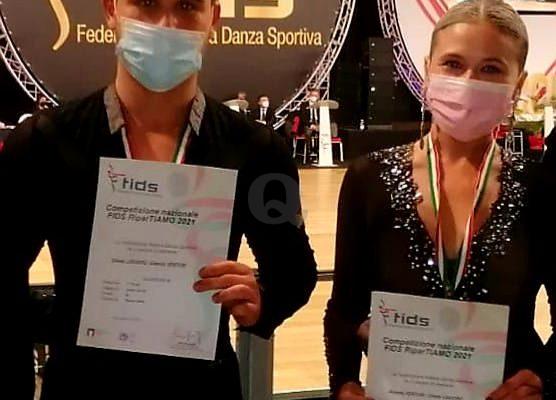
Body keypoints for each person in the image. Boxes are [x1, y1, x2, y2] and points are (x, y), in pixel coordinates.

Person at [1, 1, 317, 399]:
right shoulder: (43, 144)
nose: (166, 24)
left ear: (214, 18)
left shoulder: (258, 151)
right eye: (146, 3)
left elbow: (296, 273)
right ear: (111, 9)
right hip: (80, 386)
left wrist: (262, 300)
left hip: (204, 389)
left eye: (187, 6)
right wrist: (59, 316)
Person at [324, 1, 554, 399]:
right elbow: (345, 308)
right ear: (428, 69)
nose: (468, 81)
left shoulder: (541, 187)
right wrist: (345, 384)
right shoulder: (368, 179)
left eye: (490, 69)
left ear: (517, 86)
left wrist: (543, 377)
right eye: (453, 64)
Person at [300, 88, 321, 162]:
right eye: (312, 95)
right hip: (308, 124)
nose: (314, 97)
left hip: (318, 124)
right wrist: (310, 125)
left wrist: (318, 125)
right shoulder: (303, 105)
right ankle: (309, 153)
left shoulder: (320, 105)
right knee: (308, 133)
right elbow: (303, 118)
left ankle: (318, 152)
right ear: (309, 96)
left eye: (316, 95)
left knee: (322, 133)